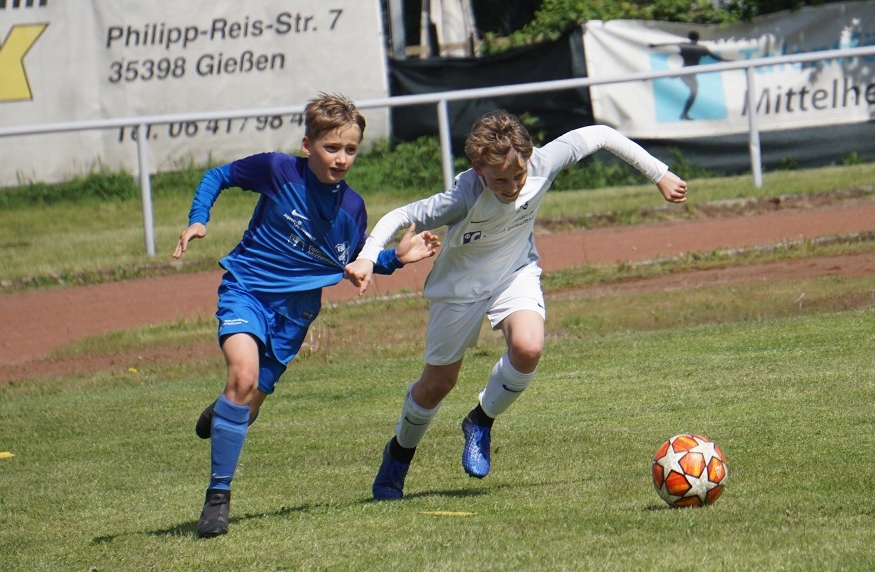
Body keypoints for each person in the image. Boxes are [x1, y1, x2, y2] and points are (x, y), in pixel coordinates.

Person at [344, 110, 687, 500]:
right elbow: (401, 214)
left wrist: (659, 173)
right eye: (500, 180)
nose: (511, 187)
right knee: (437, 385)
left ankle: (480, 420)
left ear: (529, 156)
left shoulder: (544, 162)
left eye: (518, 176)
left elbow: (601, 134)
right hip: (458, 289)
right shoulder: (463, 196)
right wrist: (368, 257)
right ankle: (399, 455)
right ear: (478, 170)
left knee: (528, 348)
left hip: (514, 272)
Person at [173, 93, 440, 537]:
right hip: (247, 292)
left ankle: (223, 412)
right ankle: (218, 497)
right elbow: (217, 175)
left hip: (295, 318)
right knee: (242, 377)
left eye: (350, 149)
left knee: (246, 406)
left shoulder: (352, 208)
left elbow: (354, 261)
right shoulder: (277, 170)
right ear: (307, 145)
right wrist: (199, 218)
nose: (341, 158)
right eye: (331, 148)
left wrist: (395, 257)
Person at [649, 31, 729, 120]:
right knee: (694, 92)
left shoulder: (691, 46)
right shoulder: (699, 48)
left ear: (689, 38)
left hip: (684, 72)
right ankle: (684, 114)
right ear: (698, 38)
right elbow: (715, 57)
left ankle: (684, 114)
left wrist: (655, 45)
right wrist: (728, 61)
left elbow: (668, 44)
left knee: (692, 91)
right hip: (686, 73)